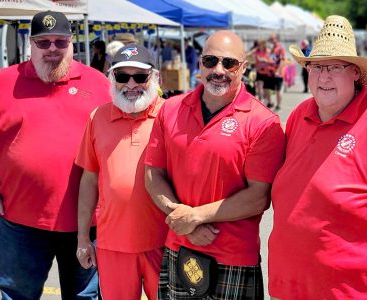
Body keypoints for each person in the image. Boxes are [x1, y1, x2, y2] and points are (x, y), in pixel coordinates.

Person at [268, 15, 367, 300]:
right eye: (316, 67)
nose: (323, 76)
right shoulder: (299, 115)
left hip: (354, 292)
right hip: (291, 287)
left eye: (335, 67)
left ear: (355, 73)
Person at [144, 30, 285, 299]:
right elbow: (153, 173)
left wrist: (195, 218)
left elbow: (258, 197)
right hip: (178, 248)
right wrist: (181, 218)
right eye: (210, 61)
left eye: (229, 63)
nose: (218, 70)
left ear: (243, 68)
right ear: (199, 63)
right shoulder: (170, 109)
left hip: (233, 258)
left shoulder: (263, 122)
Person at [0, 10, 111, 299]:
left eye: (60, 42)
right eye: (43, 42)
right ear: (31, 44)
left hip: (86, 223)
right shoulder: (1, 83)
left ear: (72, 42)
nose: (52, 49)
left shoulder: (98, 84)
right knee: (17, 295)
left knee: (84, 297)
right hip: (20, 220)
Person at [75, 43, 168, 300]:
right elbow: (89, 181)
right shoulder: (97, 118)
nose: (131, 84)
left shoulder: (170, 115)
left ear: (154, 77)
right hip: (112, 245)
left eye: (139, 76)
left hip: (164, 241)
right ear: (111, 77)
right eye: (122, 76)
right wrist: (83, 238)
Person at [268, 33, 286, 110]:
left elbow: (282, 60)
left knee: (278, 89)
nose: (271, 40)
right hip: (271, 72)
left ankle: (278, 105)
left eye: (273, 38)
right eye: (271, 38)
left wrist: (278, 71)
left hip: (278, 73)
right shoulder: (272, 48)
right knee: (270, 88)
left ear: (277, 39)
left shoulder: (280, 48)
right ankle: (270, 102)